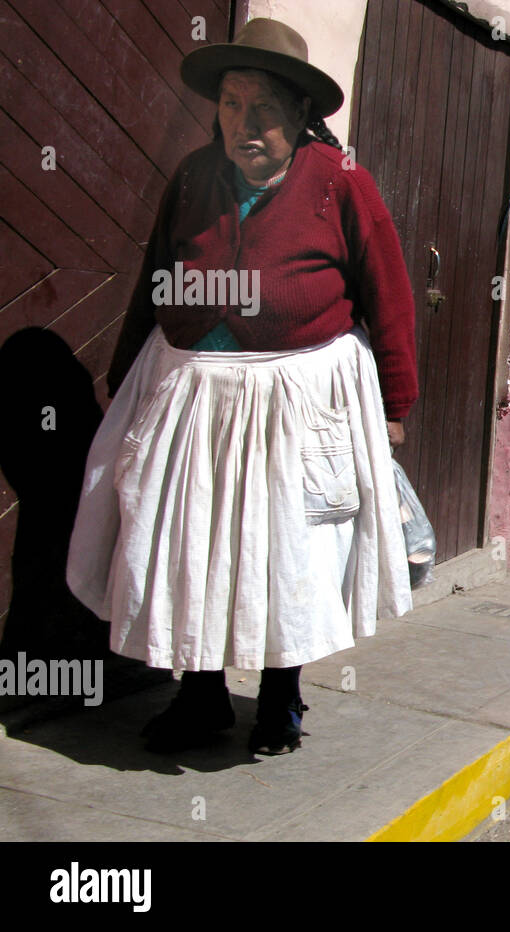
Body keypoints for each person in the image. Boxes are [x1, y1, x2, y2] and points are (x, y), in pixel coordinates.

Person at [65, 19, 418, 754]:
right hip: (194, 393)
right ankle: (201, 699)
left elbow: (388, 291)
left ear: (298, 114)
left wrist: (394, 405)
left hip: (296, 397)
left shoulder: (341, 182)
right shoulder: (194, 178)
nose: (244, 124)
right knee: (195, 543)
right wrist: (127, 371)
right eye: (230, 105)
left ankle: (281, 698)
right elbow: (155, 274)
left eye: (262, 109)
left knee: (286, 550)